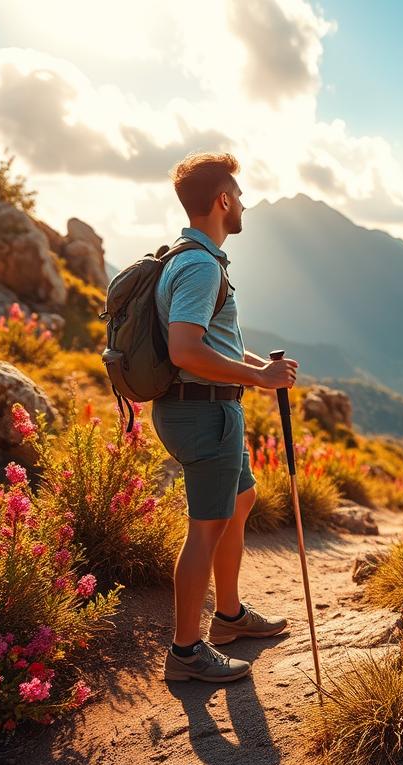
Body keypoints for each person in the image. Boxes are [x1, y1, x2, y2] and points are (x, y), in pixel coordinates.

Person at [153, 152, 299, 683]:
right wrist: (257, 380)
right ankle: (185, 652)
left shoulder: (196, 257)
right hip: (203, 413)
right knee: (207, 526)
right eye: (238, 195)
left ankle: (230, 617)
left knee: (240, 501)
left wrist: (257, 365)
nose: (243, 205)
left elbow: (213, 338)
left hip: (214, 408)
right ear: (222, 201)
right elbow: (184, 350)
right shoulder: (198, 264)